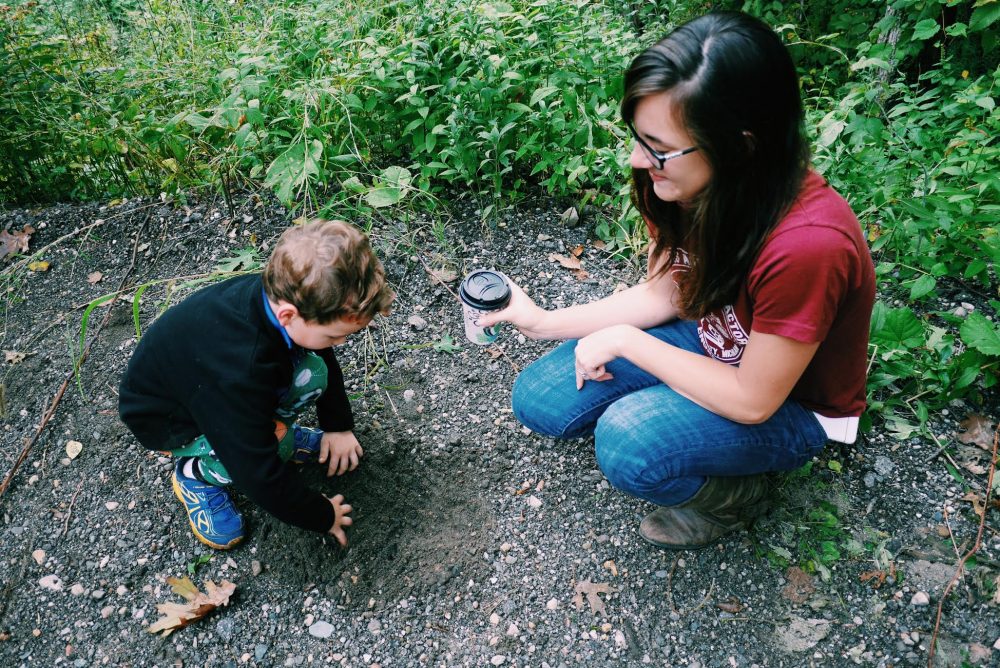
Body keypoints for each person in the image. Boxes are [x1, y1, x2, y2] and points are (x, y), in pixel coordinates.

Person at [480, 11, 875, 550]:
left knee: (627, 441)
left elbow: (754, 401)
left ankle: (734, 498)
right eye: (639, 138)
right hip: (714, 340)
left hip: (791, 404)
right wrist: (542, 321)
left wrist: (624, 343)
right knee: (539, 400)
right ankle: (679, 406)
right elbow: (667, 292)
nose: (638, 160)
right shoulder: (691, 186)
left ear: (741, 146)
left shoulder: (809, 245)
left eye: (658, 148)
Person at [119, 219, 395, 550]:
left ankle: (281, 435)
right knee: (258, 447)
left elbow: (320, 350)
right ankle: (196, 475)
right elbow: (257, 473)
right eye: (334, 335)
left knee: (313, 370)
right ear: (289, 316)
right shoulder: (240, 370)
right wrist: (322, 515)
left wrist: (338, 426)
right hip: (172, 419)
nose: (339, 344)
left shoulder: (284, 297)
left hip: (211, 386)